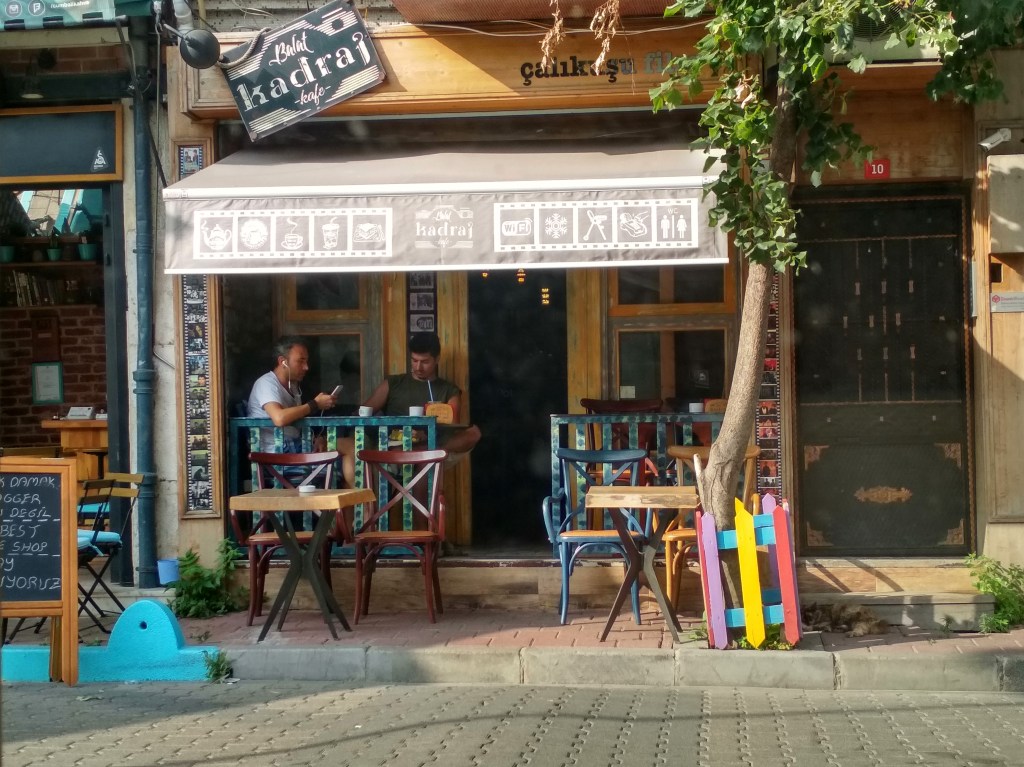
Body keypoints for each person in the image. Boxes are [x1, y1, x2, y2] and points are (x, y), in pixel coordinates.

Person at [247, 336, 355, 488]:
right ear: (283, 361)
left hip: (294, 447)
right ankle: (364, 501)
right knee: (351, 447)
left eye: (307, 361)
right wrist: (315, 404)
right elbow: (279, 418)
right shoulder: (266, 383)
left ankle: (354, 501)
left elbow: (295, 425)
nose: (306, 367)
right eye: (300, 361)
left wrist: (316, 439)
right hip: (277, 454)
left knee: (347, 458)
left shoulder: (293, 387)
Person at [362, 332, 481, 456]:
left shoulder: (449, 390)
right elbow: (362, 413)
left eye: (425, 362)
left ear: (437, 359)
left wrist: (426, 436)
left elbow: (451, 429)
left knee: (474, 433)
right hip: (396, 442)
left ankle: (420, 451)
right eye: (414, 360)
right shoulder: (393, 383)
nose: (418, 367)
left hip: (433, 443)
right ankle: (417, 452)